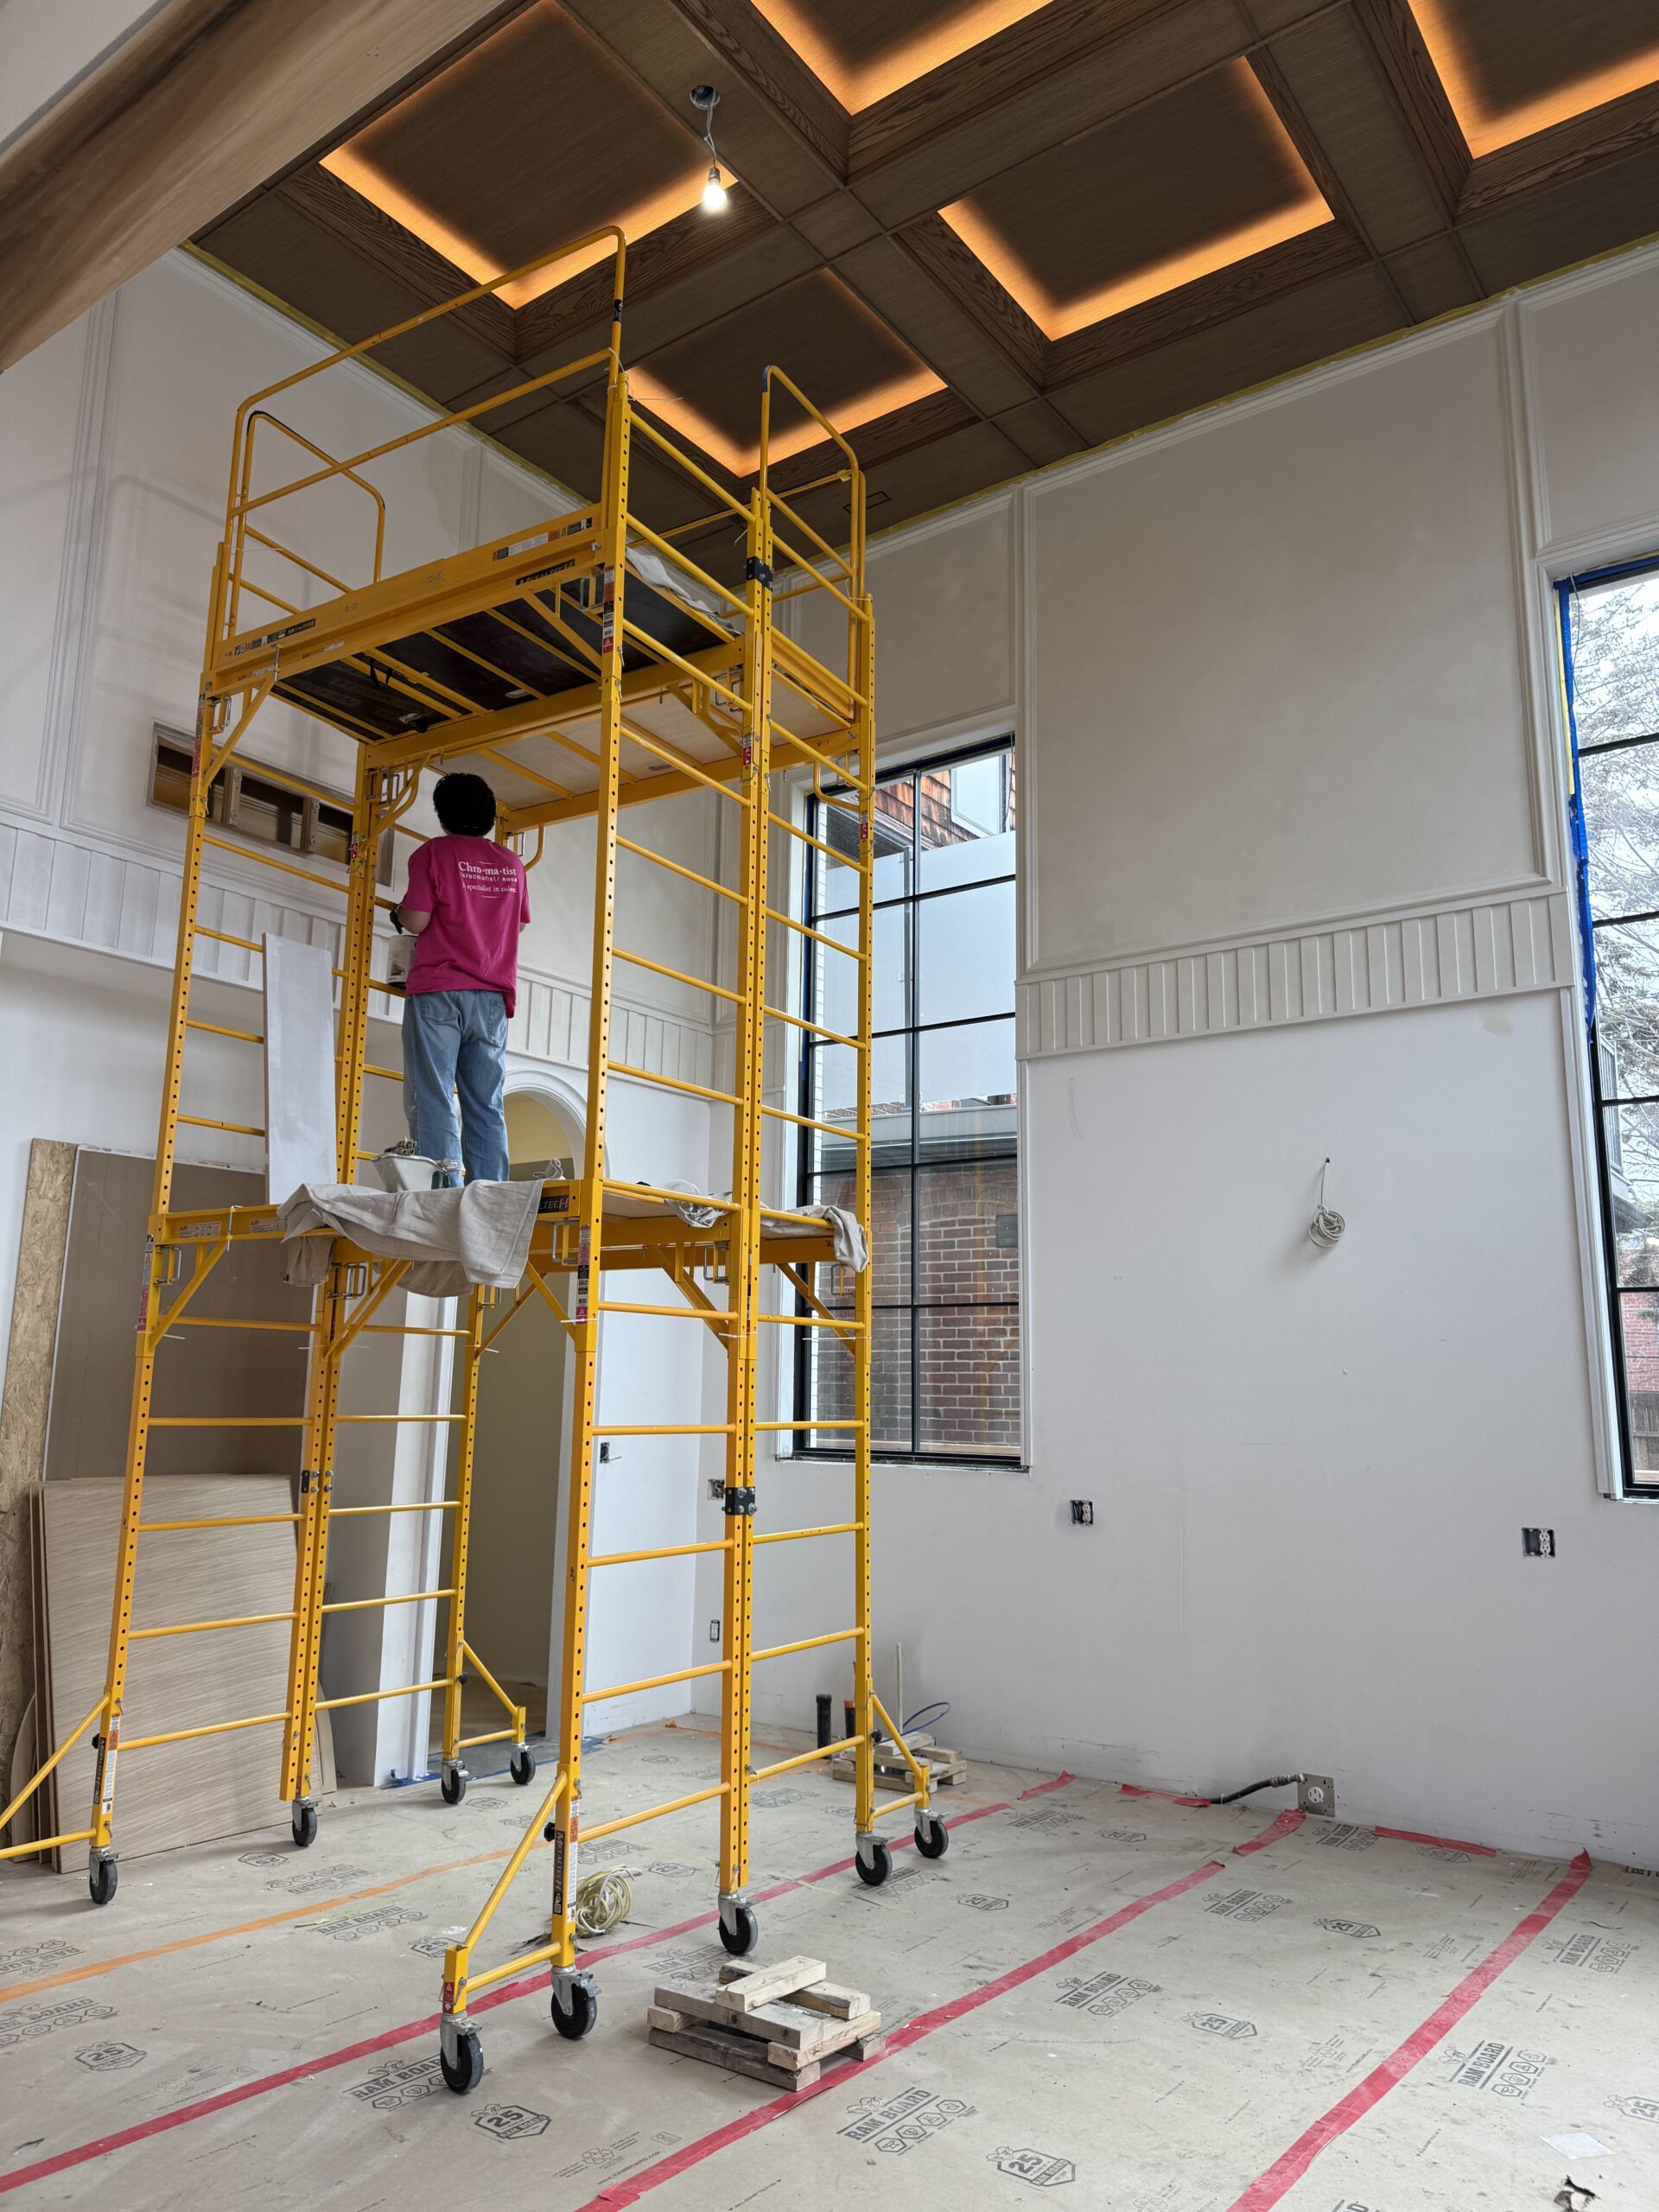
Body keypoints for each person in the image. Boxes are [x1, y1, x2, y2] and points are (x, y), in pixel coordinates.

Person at [390, 772, 529, 1185]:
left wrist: (397, 912)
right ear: (488, 816)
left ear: (443, 815)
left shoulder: (434, 854)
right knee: (485, 1102)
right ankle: (488, 1192)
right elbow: (516, 925)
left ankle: (442, 1193)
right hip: (490, 997)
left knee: (432, 1095)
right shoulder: (512, 863)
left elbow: (417, 919)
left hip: (439, 990)